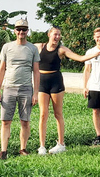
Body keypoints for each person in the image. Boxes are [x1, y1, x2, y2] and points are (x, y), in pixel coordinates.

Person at [34, 26, 93, 155]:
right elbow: (22, 47)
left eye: (59, 35)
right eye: (55, 34)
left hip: (56, 82)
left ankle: (61, 144)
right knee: (43, 114)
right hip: (42, 82)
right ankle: (42, 146)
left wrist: (97, 53)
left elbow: (80, 58)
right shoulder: (39, 47)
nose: (57, 37)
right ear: (49, 34)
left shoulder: (61, 50)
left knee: (58, 114)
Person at [0, 19, 40, 159]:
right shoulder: (7, 47)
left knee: (25, 121)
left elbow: (36, 72)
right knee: (5, 121)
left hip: (26, 88)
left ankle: (23, 148)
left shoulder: (32, 49)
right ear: (14, 31)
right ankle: (3, 151)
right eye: (18, 29)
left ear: (27, 31)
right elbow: (1, 69)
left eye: (24, 29)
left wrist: (36, 93)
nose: (21, 32)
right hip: (9, 88)